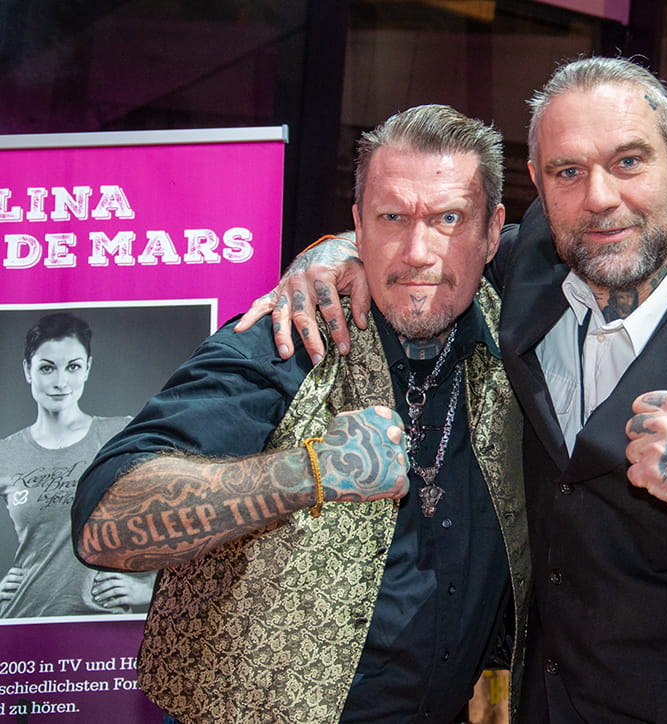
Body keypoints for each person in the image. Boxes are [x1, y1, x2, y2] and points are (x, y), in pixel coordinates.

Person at [241, 57, 667, 722]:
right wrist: (336, 251)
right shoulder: (534, 265)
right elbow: (431, 237)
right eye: (568, 172)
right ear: (539, 185)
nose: (599, 198)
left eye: (628, 161)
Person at [71, 105, 529, 724]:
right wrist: (308, 473)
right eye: (392, 217)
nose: (418, 252)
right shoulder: (287, 340)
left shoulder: (517, 330)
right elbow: (103, 523)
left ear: (493, 230)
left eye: (449, 218)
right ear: (358, 225)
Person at [0, 312, 154, 618]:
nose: (60, 382)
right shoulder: (6, 453)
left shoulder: (121, 435)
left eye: (73, 366)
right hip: (25, 620)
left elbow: (181, 513)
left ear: (87, 369)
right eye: (47, 368)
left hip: (104, 623)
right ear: (28, 371)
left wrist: (151, 587)